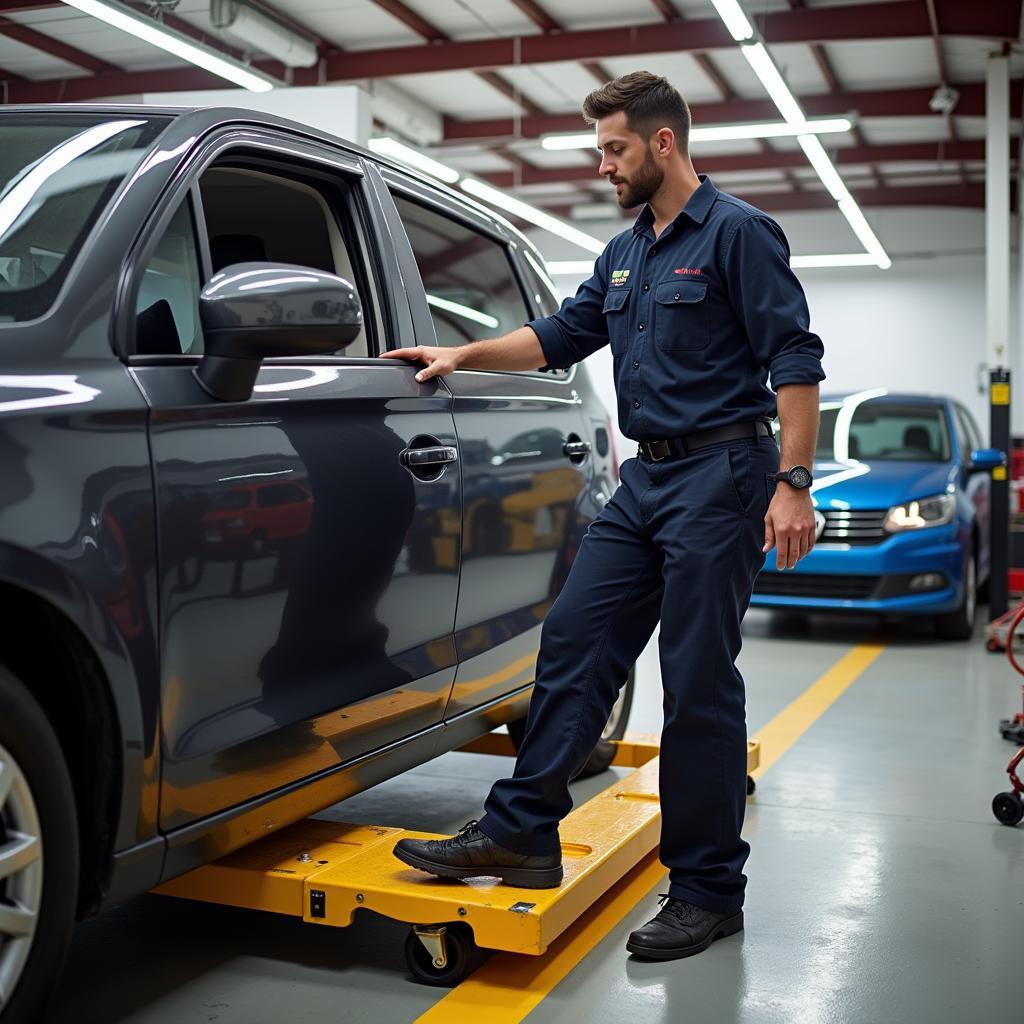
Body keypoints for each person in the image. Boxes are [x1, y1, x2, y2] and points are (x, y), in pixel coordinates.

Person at [382, 70, 823, 962]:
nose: (604, 165)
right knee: (575, 641)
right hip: (646, 483)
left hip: (724, 474)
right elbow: (560, 334)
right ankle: (521, 834)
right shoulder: (625, 253)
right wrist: (462, 352)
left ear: (663, 143)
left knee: (697, 681)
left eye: (615, 148)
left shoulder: (738, 233)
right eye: (599, 150)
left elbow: (795, 358)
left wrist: (794, 480)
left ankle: (706, 890)